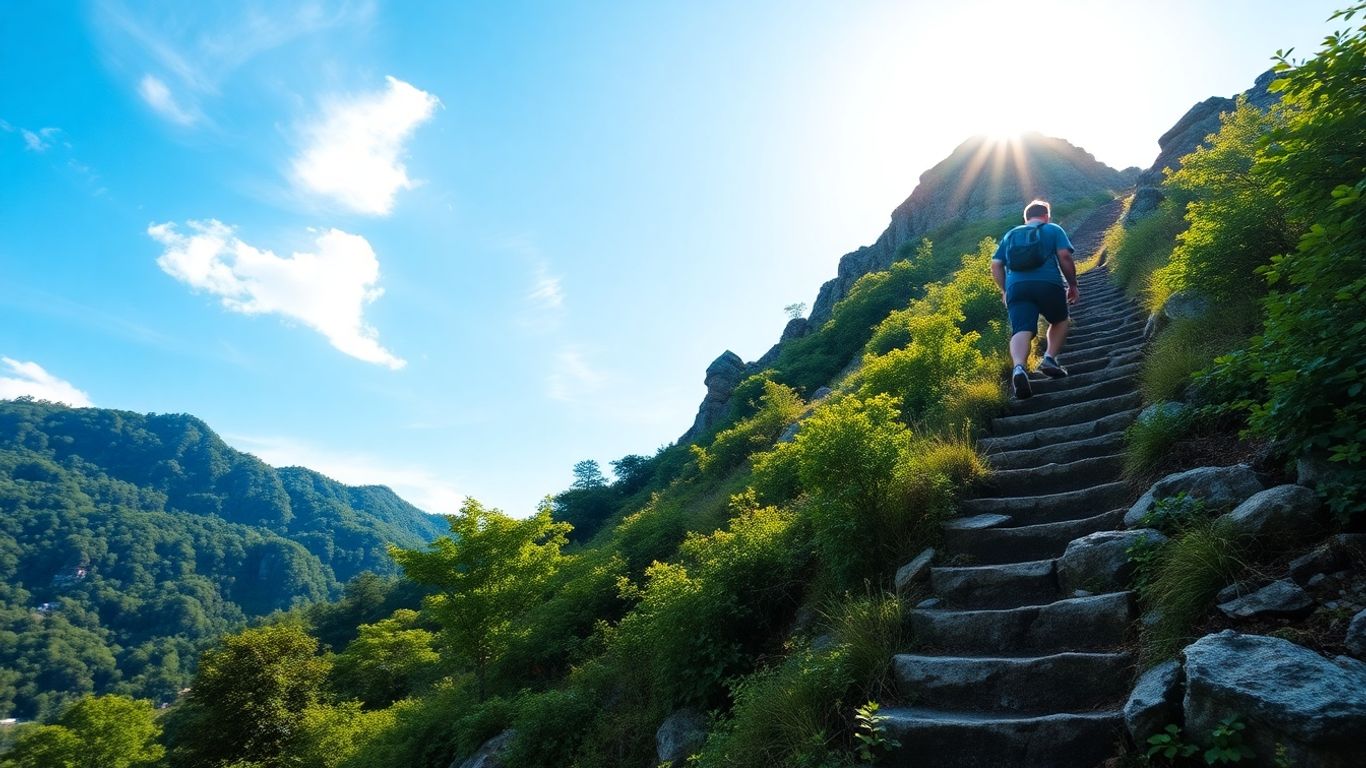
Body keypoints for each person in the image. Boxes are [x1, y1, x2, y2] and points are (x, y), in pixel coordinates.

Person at [990, 199, 1080, 399]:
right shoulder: (1053, 229)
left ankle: (1019, 368)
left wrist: (1005, 290)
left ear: (1026, 218)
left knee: (1022, 329)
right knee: (1059, 320)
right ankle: (1049, 358)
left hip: (1016, 287)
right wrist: (1072, 285)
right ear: (1046, 216)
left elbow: (996, 265)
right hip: (1048, 283)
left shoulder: (1011, 234)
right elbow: (1064, 256)